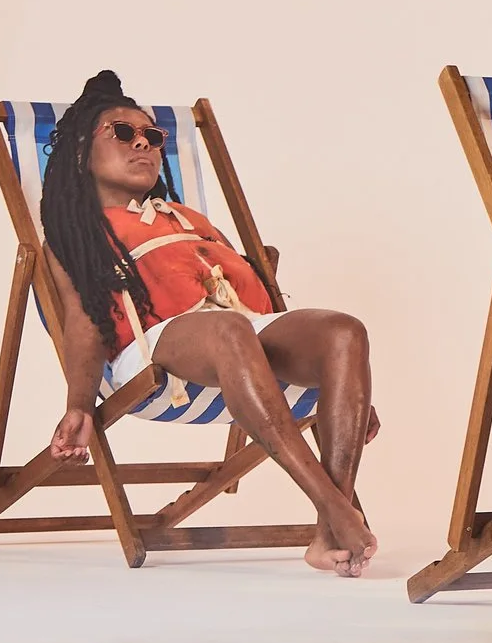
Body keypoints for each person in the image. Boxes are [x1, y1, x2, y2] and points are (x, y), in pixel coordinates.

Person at [39, 71, 380, 577]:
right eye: (123, 133)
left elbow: (249, 305)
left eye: (152, 135)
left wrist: (346, 387)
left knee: (344, 331)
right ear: (82, 153)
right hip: (152, 350)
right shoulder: (77, 231)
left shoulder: (189, 219)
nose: (143, 144)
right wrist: (78, 404)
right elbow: (85, 320)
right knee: (229, 330)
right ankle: (336, 508)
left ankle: (329, 531)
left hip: (241, 338)